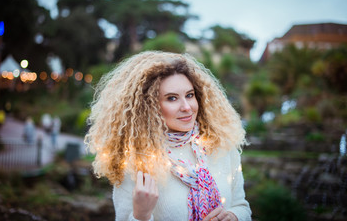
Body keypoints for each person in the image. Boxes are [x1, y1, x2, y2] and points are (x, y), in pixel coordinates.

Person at [85, 51, 251, 221]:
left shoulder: (221, 146)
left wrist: (234, 216)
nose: (186, 107)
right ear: (149, 106)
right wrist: (141, 215)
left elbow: (242, 206)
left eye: (190, 95)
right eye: (172, 98)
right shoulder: (136, 162)